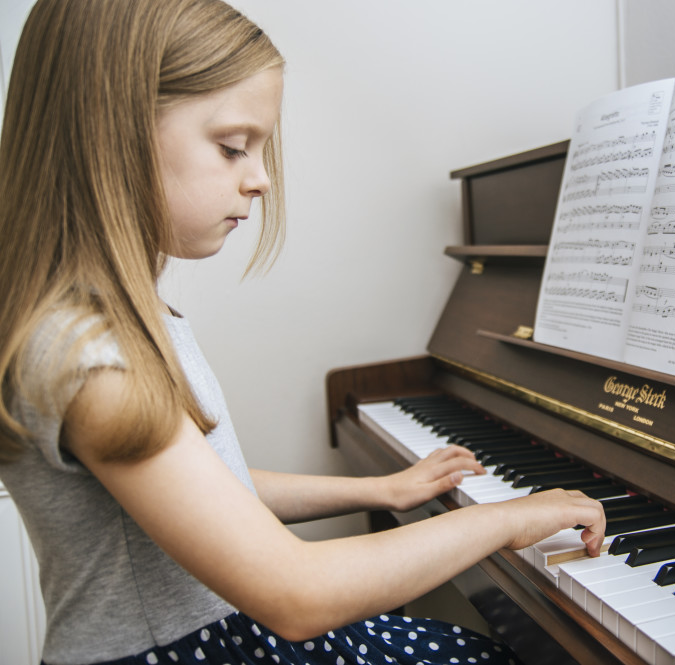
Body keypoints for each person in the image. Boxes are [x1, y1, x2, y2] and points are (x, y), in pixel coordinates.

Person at [0, 1, 607, 664]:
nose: (259, 177)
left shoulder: (110, 322)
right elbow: (296, 594)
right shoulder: (87, 357)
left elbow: (213, 492)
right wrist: (502, 518)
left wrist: (377, 490)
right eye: (233, 146)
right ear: (107, 132)